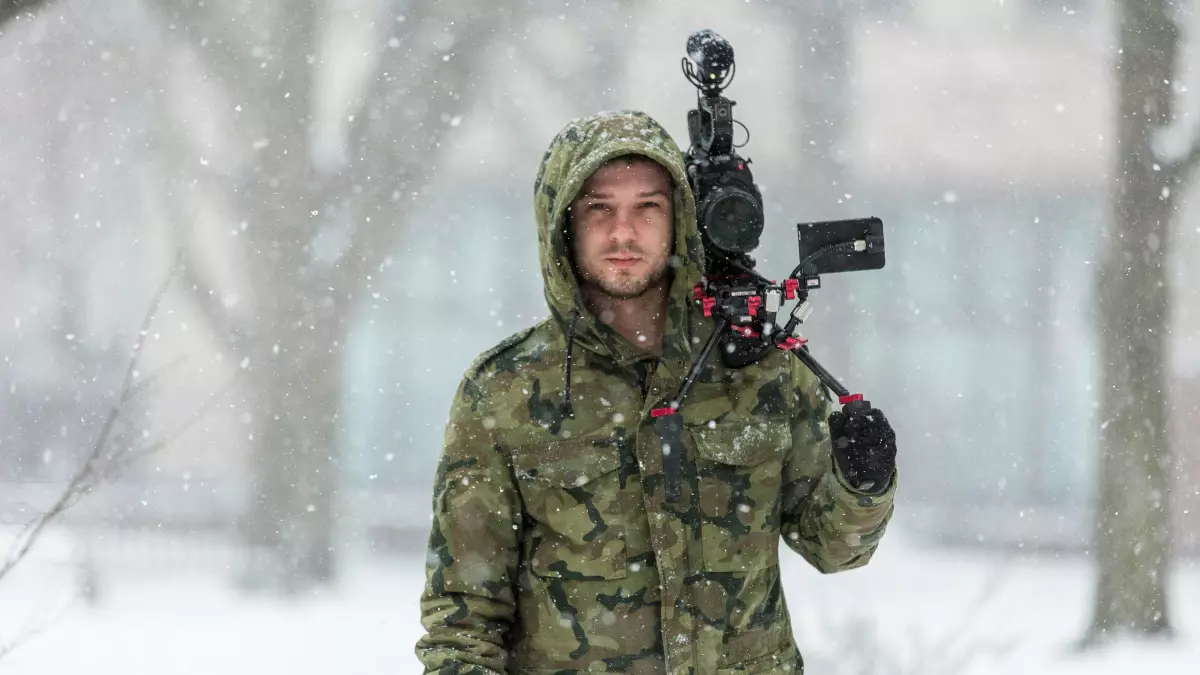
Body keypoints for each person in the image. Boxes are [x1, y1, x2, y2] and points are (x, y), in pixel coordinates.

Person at [416, 110, 898, 675]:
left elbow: (835, 549)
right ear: (563, 223)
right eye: (600, 208)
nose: (624, 233)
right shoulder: (504, 390)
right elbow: (464, 618)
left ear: (680, 221)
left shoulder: (759, 368)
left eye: (648, 207)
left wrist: (865, 483)